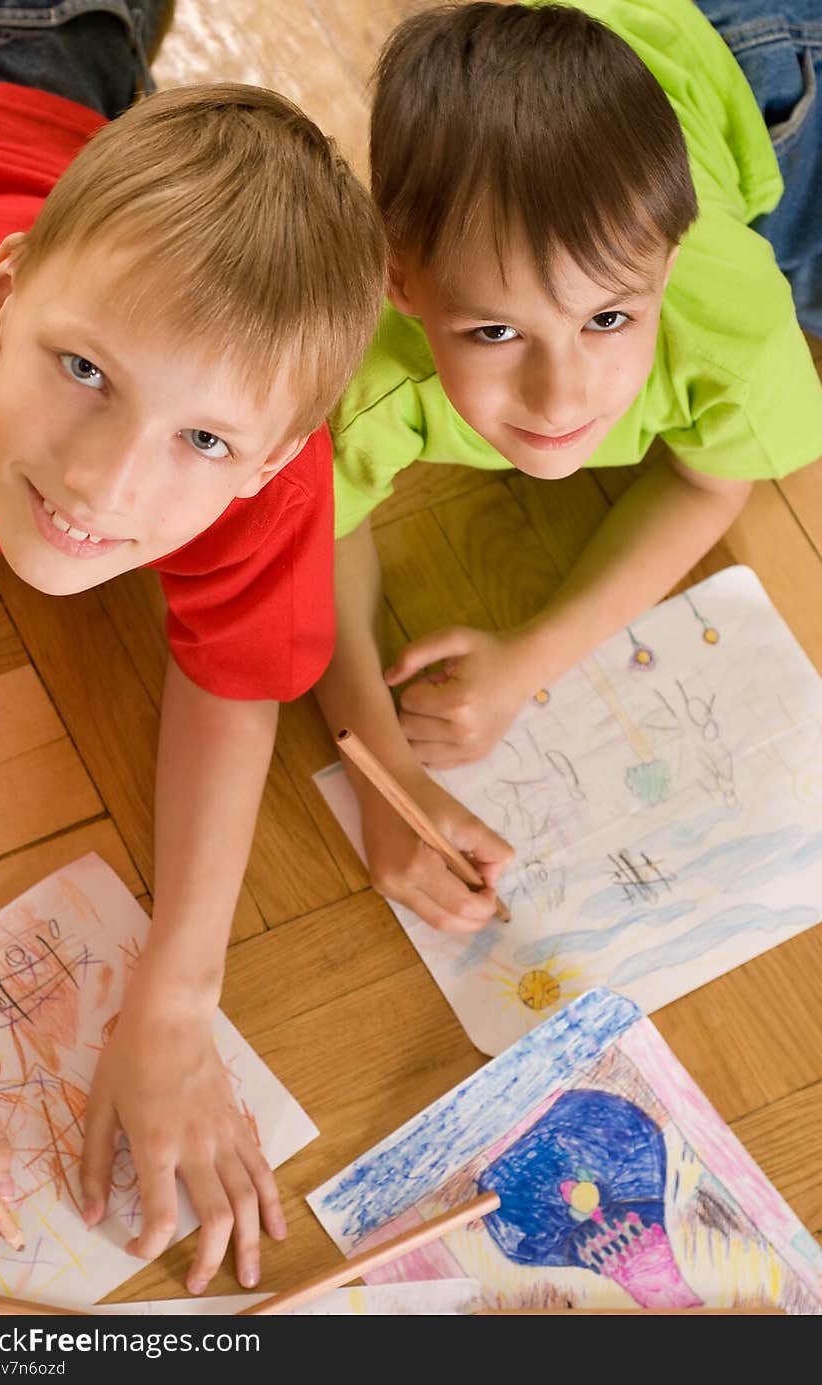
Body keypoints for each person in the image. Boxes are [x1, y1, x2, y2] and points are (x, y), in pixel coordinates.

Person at [0, 1, 387, 1293]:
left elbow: (233, 669)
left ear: (269, 465)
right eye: (84, 368)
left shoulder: (274, 450)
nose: (108, 486)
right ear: (1, 295)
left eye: (202, 442)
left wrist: (180, 998)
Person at [316, 0, 822, 934]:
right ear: (401, 282)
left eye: (608, 319)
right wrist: (380, 766)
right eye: (496, 332)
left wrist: (528, 661)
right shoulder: (364, 360)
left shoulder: (736, 332)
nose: (559, 398)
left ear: (665, 268)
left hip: (751, 50)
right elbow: (319, 529)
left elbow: (715, 481)